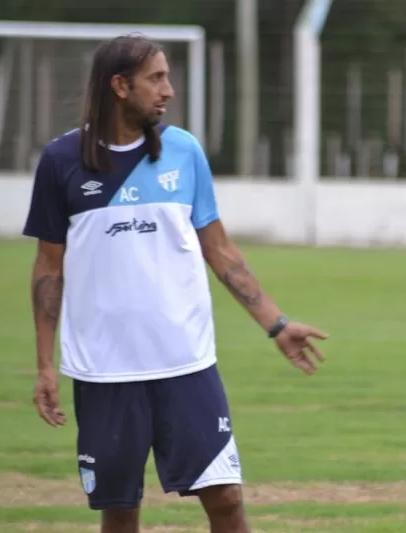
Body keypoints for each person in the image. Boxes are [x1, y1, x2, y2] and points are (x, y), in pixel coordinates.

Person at [23, 34, 329, 533]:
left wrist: (277, 324)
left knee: (227, 498)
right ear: (120, 86)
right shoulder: (62, 160)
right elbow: (48, 269)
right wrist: (43, 366)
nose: (169, 90)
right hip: (104, 372)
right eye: (156, 78)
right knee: (120, 513)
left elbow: (220, 249)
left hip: (185, 363)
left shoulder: (183, 151)